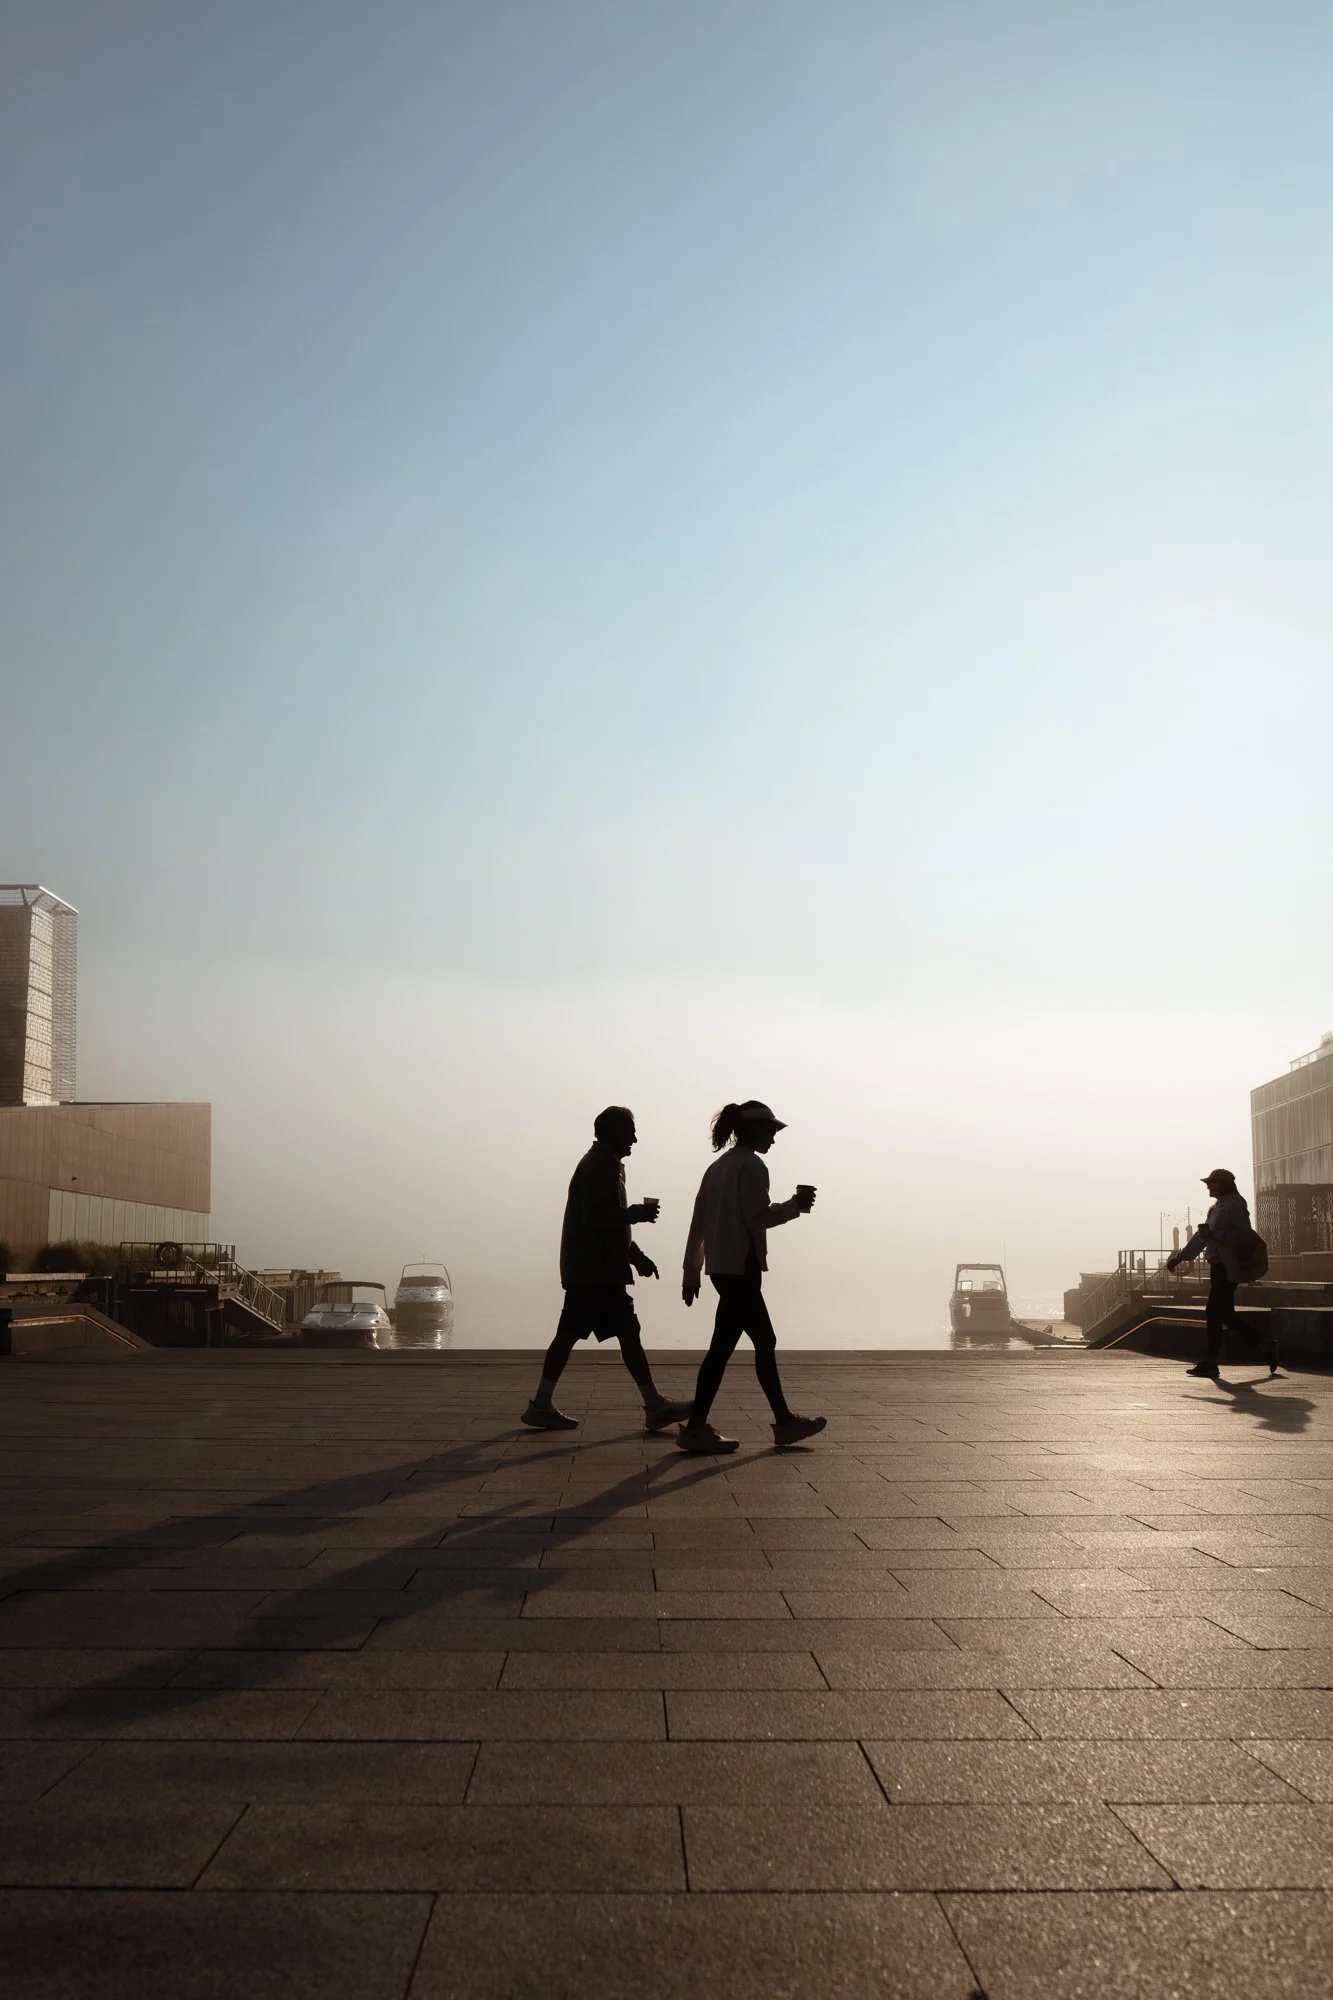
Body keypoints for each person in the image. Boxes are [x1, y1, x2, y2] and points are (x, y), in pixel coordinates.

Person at [521, 1106, 692, 1433]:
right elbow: (597, 1217)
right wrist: (635, 1214)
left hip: (593, 1270)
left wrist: (635, 1254)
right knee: (623, 1333)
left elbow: (606, 1221)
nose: (636, 1139)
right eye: (630, 1131)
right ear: (611, 1132)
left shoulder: (604, 1164)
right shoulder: (600, 1165)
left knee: (580, 1334)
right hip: (596, 1271)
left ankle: (542, 1403)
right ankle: (654, 1405)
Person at [677, 1099, 826, 1454]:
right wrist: (795, 1207)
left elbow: (698, 1223)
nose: (774, 1138)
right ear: (755, 1131)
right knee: (762, 1341)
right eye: (771, 1131)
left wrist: (691, 1272)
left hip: (720, 1269)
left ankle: (699, 1426)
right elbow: (756, 1218)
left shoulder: (717, 1168)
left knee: (724, 1348)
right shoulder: (753, 1166)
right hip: (741, 1269)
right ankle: (782, 1422)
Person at [1165, 1167, 1258, 1379]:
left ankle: (1211, 1360)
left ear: (1221, 1185)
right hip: (1217, 1266)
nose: (1207, 1186)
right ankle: (1264, 1345)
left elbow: (1244, 1234)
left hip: (1229, 1265)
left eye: (1211, 1183)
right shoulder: (1216, 1207)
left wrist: (1217, 1234)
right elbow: (1201, 1238)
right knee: (1225, 1314)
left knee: (1213, 1312)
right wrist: (1181, 1257)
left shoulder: (1236, 1203)